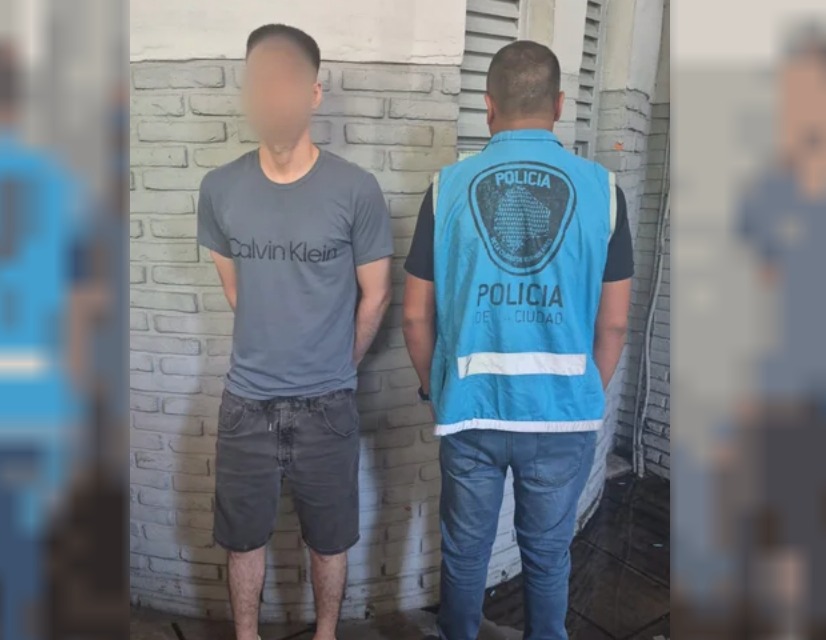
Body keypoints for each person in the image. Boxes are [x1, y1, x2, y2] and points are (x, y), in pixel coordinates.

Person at [402, 41, 633, 640]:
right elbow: (613, 324)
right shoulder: (603, 192)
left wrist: (435, 388)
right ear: (559, 104)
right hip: (561, 416)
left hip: (471, 410)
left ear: (488, 106)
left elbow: (415, 316)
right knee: (548, 557)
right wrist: (583, 391)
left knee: (465, 553)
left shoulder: (446, 189)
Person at [197, 24, 393, 640]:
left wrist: (338, 364)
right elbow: (239, 291)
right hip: (245, 404)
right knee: (242, 540)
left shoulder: (356, 190)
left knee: (329, 541)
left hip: (328, 405)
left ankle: (326, 634)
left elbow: (377, 293)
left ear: (313, 93)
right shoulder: (219, 188)